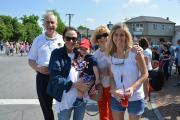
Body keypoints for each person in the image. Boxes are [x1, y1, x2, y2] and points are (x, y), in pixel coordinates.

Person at [106, 23, 148, 120]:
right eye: (116, 34)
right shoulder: (110, 56)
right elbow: (111, 76)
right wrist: (114, 90)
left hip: (135, 97)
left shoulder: (135, 53)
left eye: (122, 35)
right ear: (112, 37)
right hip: (116, 97)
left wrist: (132, 88)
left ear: (126, 37)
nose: (118, 37)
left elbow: (145, 74)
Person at [28, 11, 64, 120]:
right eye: (47, 22)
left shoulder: (62, 39)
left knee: (62, 107)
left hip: (59, 78)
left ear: (56, 24)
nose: (50, 25)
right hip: (42, 78)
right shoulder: (38, 40)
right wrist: (38, 68)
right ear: (43, 24)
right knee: (46, 107)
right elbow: (31, 59)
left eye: (52, 22)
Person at [47, 27, 90, 120]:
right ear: (63, 38)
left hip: (81, 97)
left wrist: (91, 85)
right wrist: (74, 85)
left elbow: (89, 70)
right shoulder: (57, 53)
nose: (71, 41)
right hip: (64, 100)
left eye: (74, 39)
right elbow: (55, 78)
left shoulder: (80, 54)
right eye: (68, 38)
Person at [92, 25, 113, 120]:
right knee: (103, 112)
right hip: (100, 86)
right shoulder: (94, 55)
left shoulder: (114, 52)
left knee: (114, 112)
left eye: (105, 35)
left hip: (112, 86)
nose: (102, 38)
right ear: (96, 39)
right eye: (99, 36)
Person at [72, 38, 100, 107]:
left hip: (89, 76)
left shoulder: (91, 58)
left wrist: (97, 79)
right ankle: (82, 97)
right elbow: (82, 67)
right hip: (86, 75)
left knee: (81, 87)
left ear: (90, 49)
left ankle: (79, 99)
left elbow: (95, 68)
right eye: (82, 49)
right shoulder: (85, 57)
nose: (83, 51)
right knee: (78, 84)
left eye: (85, 49)